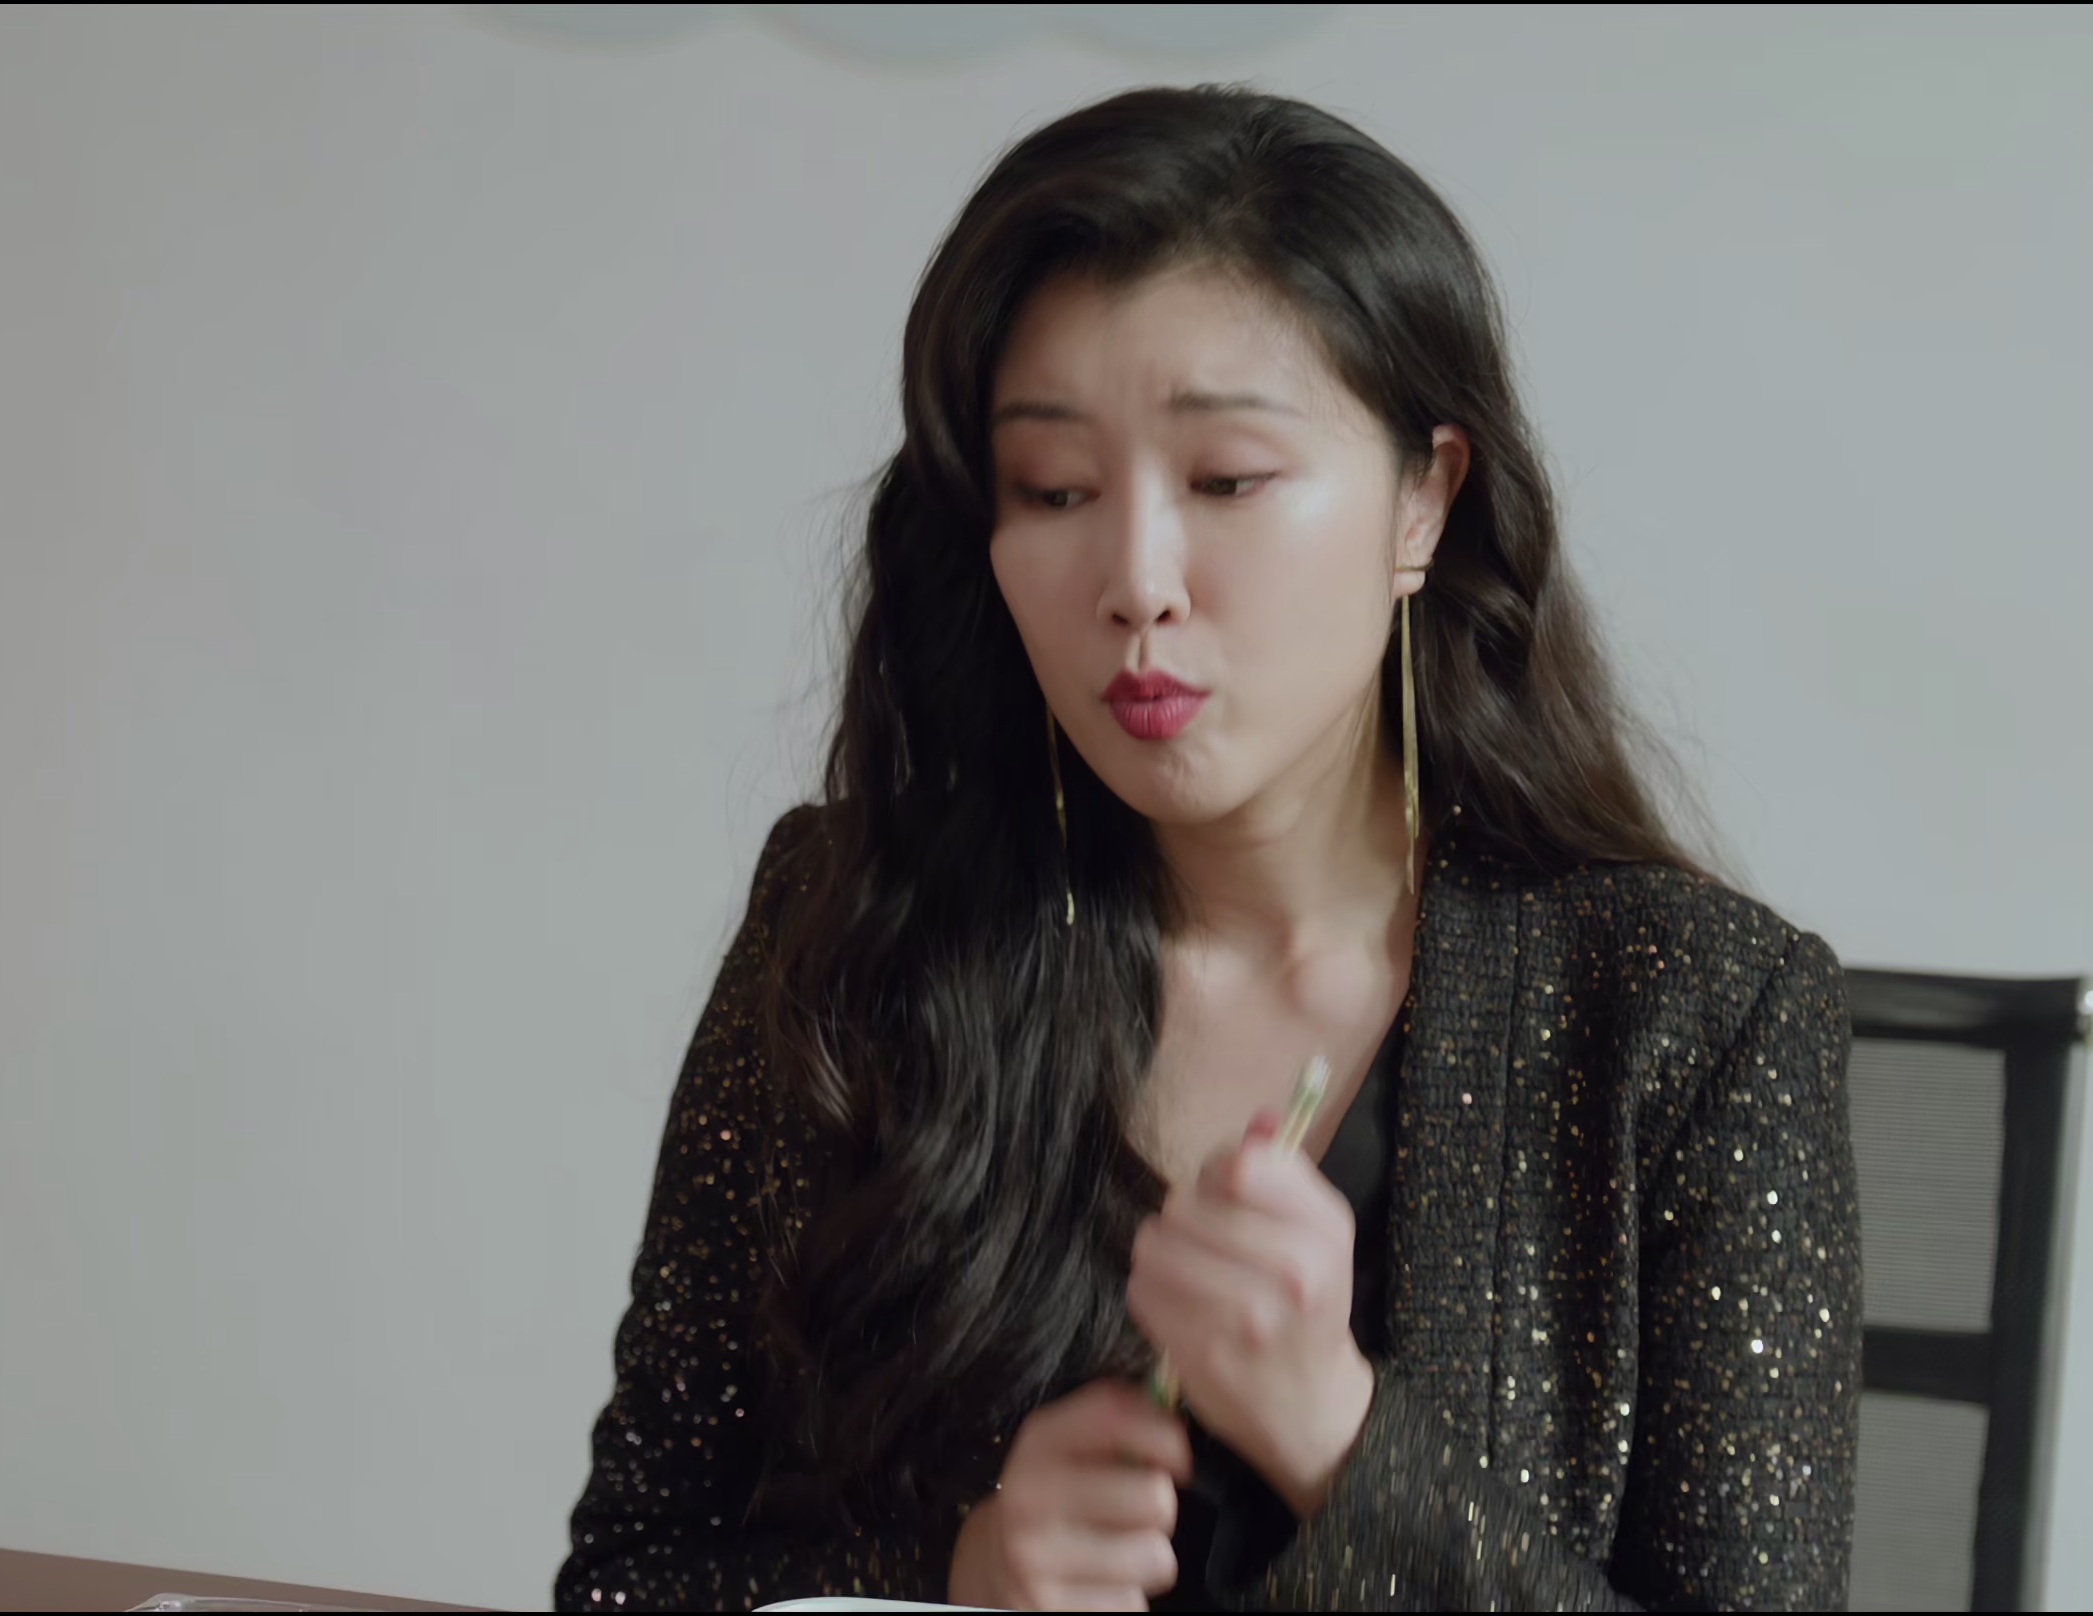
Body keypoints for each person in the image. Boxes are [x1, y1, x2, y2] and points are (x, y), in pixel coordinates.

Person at [556, 85, 1858, 1613]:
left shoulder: (1691, 1013)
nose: (1137, 580)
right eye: (1055, 491)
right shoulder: (855, 926)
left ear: (1424, 502)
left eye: (1228, 480)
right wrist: (958, 1568)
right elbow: (630, 1575)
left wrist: (1339, 1441)